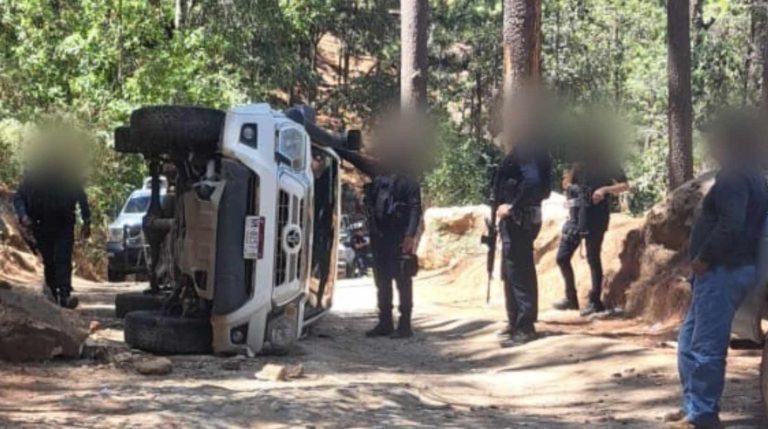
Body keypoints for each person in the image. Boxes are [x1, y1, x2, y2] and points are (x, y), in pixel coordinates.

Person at [672, 112, 768, 429]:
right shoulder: (754, 175)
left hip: (722, 270)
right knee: (689, 342)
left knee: (706, 346)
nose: (711, 144)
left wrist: (705, 258)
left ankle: (702, 416)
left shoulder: (734, 178)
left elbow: (731, 225)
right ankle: (693, 408)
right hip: (727, 270)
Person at [335, 146, 423, 339]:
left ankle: (405, 324)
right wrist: (339, 148)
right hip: (379, 237)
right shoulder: (379, 177)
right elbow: (357, 159)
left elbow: (416, 210)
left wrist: (410, 237)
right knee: (382, 281)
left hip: (399, 238)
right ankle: (385, 322)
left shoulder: (408, 182)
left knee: (402, 280)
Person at [493, 126, 553, 346]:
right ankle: (516, 321)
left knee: (519, 269)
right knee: (511, 270)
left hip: (519, 219)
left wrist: (512, 206)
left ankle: (525, 325)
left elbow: (534, 183)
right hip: (519, 219)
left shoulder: (527, 150)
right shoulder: (532, 150)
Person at [553, 159, 630, 316]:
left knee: (592, 257)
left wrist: (604, 190)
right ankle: (570, 298)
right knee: (562, 257)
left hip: (596, 216)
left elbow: (625, 185)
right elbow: (567, 186)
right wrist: (568, 184)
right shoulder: (575, 163)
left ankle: (595, 301)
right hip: (575, 217)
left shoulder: (607, 162)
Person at [13, 170, 91, 309]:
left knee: (63, 258)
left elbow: (80, 196)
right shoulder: (33, 179)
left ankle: (65, 294)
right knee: (49, 261)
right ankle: (53, 294)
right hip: (41, 225)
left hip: (64, 224)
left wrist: (86, 220)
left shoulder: (67, 178)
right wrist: (24, 216)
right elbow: (19, 198)